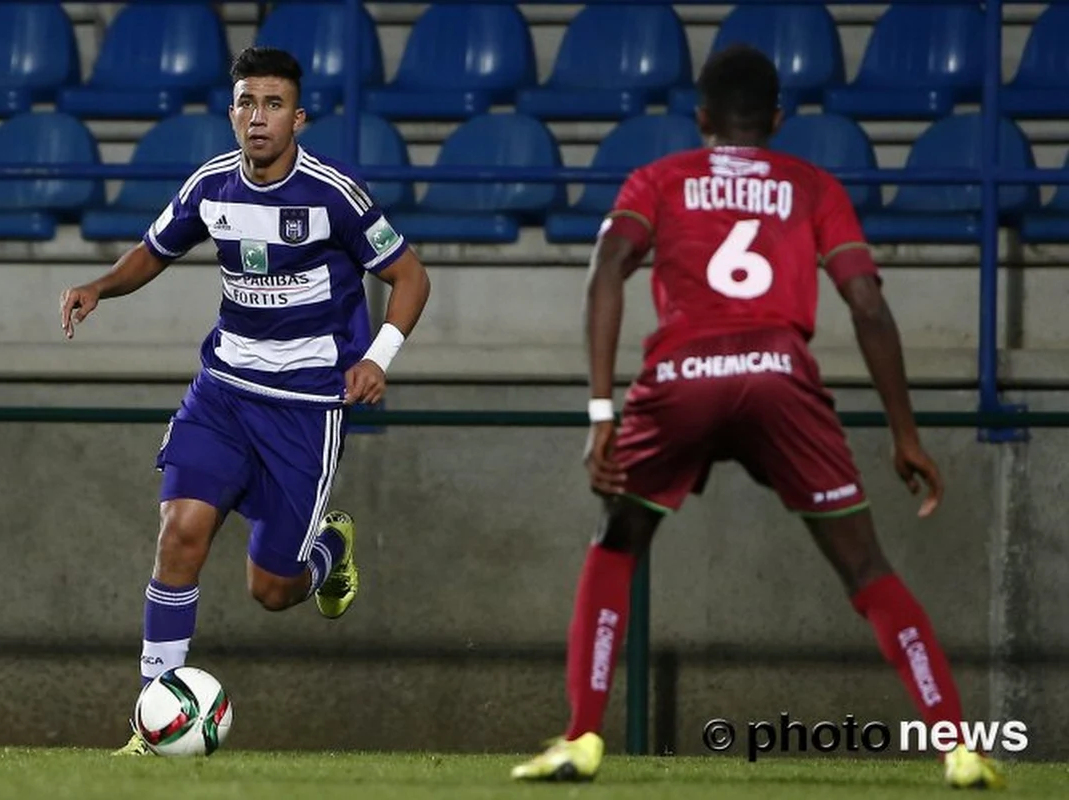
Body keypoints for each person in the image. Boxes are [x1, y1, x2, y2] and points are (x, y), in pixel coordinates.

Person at [510, 45, 1002, 790]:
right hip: (779, 375)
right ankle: (958, 747)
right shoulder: (812, 185)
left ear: (701, 117)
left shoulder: (660, 179)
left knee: (617, 536)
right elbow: (867, 302)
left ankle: (581, 736)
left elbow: (606, 268)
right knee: (865, 567)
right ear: (776, 120)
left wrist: (601, 410)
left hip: (682, 377)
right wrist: (906, 434)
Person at [58, 47, 430, 755]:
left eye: (274, 105)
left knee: (271, 589)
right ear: (231, 112)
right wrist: (99, 286)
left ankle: (327, 549)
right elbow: (154, 249)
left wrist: (378, 359)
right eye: (246, 103)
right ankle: (150, 719)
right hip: (223, 392)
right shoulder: (211, 186)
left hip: (305, 409)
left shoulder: (334, 194)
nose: (258, 118)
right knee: (179, 534)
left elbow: (412, 277)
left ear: (299, 116)